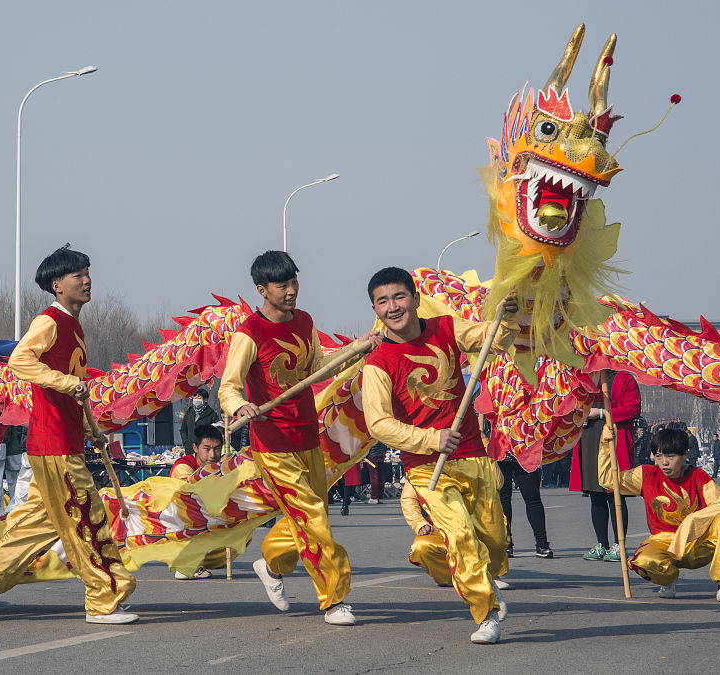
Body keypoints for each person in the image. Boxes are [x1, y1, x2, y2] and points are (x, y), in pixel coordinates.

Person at [0, 245, 137, 624]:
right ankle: (104, 600)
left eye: (88, 272)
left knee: (45, 522)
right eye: (78, 275)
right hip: (54, 444)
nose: (87, 280)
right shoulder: (50, 321)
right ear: (58, 286)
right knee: (87, 520)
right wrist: (64, 382)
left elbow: (77, 391)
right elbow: (20, 360)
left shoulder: (74, 325)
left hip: (65, 440)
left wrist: (92, 431)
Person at [218, 250, 378, 627]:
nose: (291, 290)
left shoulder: (304, 321)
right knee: (313, 518)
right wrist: (240, 406)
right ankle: (334, 600)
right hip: (272, 443)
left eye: (294, 282)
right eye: (282, 285)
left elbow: (318, 367)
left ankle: (271, 563)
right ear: (262, 289)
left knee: (309, 514)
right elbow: (229, 386)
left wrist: (356, 351)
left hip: (308, 433)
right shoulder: (249, 333)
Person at [360, 266, 518, 645]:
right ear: (375, 310)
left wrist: (508, 314)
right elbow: (379, 423)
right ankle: (486, 613)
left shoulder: (446, 328)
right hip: (426, 467)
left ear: (415, 299)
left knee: (495, 543)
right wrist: (431, 438)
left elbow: (491, 341)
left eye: (399, 297)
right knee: (461, 537)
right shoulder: (377, 363)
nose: (392, 307)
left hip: (473, 456)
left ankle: (488, 579)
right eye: (382, 302)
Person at [601, 428, 720, 603]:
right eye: (659, 456)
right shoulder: (647, 474)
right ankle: (667, 578)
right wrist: (606, 445)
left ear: (684, 455)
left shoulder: (698, 476)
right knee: (643, 561)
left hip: (697, 543)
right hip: (663, 543)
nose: (664, 462)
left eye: (671, 456)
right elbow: (607, 480)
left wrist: (692, 520)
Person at [571, 370, 640, 563]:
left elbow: (633, 409)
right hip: (589, 437)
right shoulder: (585, 377)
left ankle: (619, 545)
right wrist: (580, 416)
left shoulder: (624, 377)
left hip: (613, 437)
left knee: (614, 494)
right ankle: (601, 543)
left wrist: (601, 412)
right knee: (595, 494)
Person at [169, 425, 236, 580]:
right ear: (195, 447)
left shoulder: (220, 465)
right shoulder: (183, 466)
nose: (212, 455)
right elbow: (195, 492)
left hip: (208, 521)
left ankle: (194, 560)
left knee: (241, 535)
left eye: (217, 449)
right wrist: (218, 470)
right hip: (179, 522)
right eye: (207, 449)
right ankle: (186, 562)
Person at [399, 479, 451, 587]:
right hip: (440, 529)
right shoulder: (420, 466)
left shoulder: (481, 465)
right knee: (422, 547)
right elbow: (408, 498)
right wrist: (419, 523)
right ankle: (446, 576)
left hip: (474, 532)